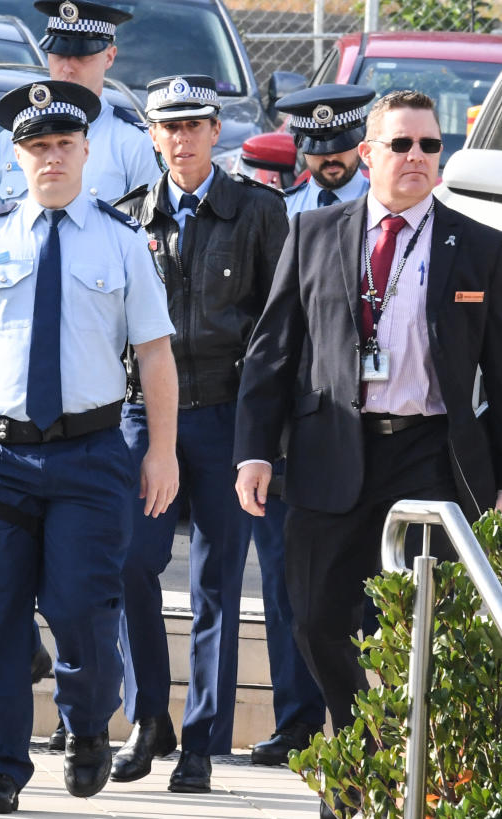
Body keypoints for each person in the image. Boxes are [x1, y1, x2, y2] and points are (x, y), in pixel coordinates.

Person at [0, 79, 179, 814]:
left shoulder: (120, 240)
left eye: (62, 145)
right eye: (36, 147)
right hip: (2, 458)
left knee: (81, 608)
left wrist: (162, 450)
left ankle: (85, 725)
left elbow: (153, 354)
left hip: (89, 457)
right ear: (16, 157)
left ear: (85, 150)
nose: (50, 158)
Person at [233, 90, 502, 817]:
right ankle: (361, 753)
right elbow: (270, 355)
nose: (417, 158)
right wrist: (253, 453)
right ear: (367, 154)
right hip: (331, 452)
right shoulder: (314, 234)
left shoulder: (477, 246)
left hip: (433, 459)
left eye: (430, 145)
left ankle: (378, 781)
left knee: (417, 633)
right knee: (316, 619)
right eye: (402, 144)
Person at [112, 74, 288, 793]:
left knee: (217, 582)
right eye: (168, 127)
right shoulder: (124, 217)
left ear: (217, 132)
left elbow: (280, 330)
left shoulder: (255, 211)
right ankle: (146, 715)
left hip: (224, 412)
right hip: (141, 412)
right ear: (151, 137)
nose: (181, 139)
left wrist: (265, 435)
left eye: (194, 125)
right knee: (128, 561)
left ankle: (200, 741)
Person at [245, 85, 380, 768]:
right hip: (299, 436)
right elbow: (266, 339)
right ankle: (297, 721)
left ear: (359, 144)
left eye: (338, 148)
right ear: (298, 146)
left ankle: (372, 725)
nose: (326, 160)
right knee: (289, 590)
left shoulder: (383, 214)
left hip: (371, 433)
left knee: (373, 596)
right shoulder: (278, 217)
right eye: (314, 148)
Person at [0, 0, 159, 215]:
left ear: (109, 57)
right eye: (59, 55)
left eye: (81, 56)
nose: (67, 68)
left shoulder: (134, 145)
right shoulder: (10, 141)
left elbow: (151, 233)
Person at [278, 84, 374, 219]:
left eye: (342, 145)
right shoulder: (283, 209)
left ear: (361, 141)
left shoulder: (386, 206)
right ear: (300, 144)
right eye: (318, 148)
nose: (330, 156)